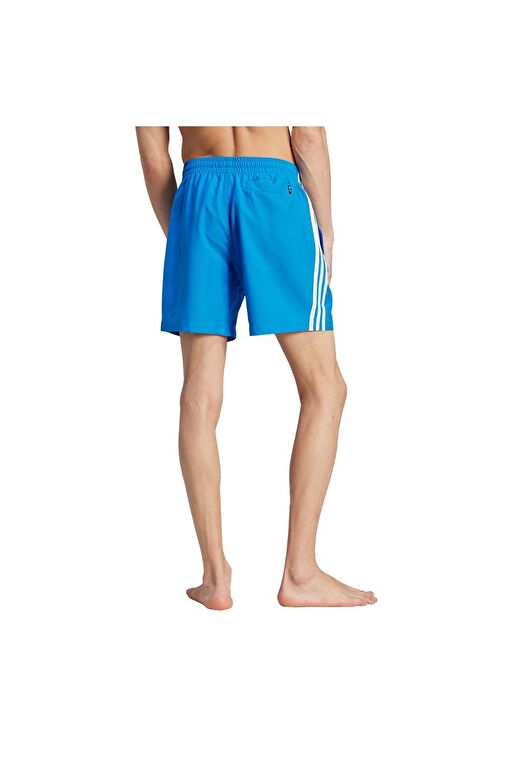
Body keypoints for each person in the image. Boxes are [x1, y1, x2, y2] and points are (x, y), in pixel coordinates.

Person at [136, 126, 377, 610]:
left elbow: (155, 157)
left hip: (199, 192)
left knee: (199, 398)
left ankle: (215, 579)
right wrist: (325, 227)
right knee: (324, 389)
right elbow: (306, 136)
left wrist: (185, 232)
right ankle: (300, 572)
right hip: (272, 192)